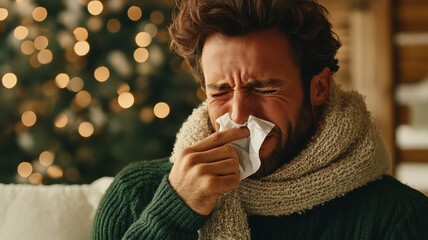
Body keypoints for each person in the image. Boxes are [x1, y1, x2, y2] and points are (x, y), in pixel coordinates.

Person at [92, 0, 428, 239]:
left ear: (319, 87)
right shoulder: (136, 195)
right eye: (220, 91)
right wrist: (173, 212)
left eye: (264, 87)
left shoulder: (398, 218)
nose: (238, 114)